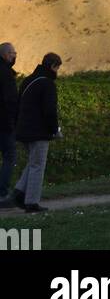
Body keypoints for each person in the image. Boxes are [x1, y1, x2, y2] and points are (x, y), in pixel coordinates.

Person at [13, 53, 62, 213]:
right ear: (53, 66)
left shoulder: (29, 80)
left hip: (23, 129)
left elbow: (18, 105)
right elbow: (49, 111)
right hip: (39, 131)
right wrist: (54, 130)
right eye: (57, 67)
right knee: (38, 166)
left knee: (33, 162)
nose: (58, 71)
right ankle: (32, 202)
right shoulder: (47, 84)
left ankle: (19, 192)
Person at [0, 42, 18, 205]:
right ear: (5, 55)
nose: (15, 56)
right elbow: (10, 101)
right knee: (9, 156)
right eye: (13, 53)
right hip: (4, 124)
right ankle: (2, 194)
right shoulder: (5, 73)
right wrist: (13, 122)